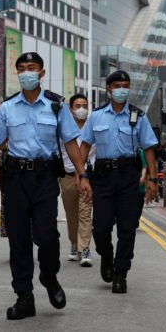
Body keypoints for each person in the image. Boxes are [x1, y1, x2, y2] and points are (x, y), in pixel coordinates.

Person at [0, 52, 92, 320]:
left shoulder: (56, 106)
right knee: (19, 240)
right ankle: (24, 296)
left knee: (47, 236)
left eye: (32, 68)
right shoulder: (8, 108)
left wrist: (83, 176)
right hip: (15, 180)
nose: (27, 73)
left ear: (42, 73)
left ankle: (49, 276)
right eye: (22, 68)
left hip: (45, 178)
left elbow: (71, 143)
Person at [79, 70, 158, 295]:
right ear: (109, 89)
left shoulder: (138, 117)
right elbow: (84, 145)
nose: (122, 89)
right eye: (118, 85)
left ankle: (121, 272)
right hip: (103, 177)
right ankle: (106, 254)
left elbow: (149, 147)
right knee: (100, 227)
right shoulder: (96, 116)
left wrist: (153, 179)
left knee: (127, 228)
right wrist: (82, 175)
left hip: (128, 178)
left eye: (126, 85)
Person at [58, 93, 95, 266]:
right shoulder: (63, 128)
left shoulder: (93, 126)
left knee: (85, 213)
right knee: (71, 214)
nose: (82, 109)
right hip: (67, 176)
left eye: (85, 106)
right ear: (71, 109)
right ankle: (74, 243)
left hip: (88, 177)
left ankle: (85, 248)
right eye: (78, 105)